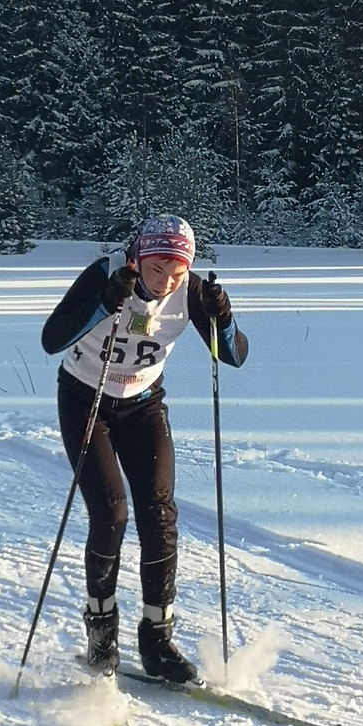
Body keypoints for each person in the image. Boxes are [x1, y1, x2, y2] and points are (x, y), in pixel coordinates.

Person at [41, 214, 249, 684]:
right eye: (157, 269)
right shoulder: (106, 274)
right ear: (139, 256)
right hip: (85, 399)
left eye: (177, 272)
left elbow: (233, 355)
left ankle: (157, 637)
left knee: (159, 513)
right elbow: (51, 339)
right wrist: (102, 302)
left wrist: (223, 316)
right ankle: (101, 633)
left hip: (142, 404)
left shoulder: (190, 290)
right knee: (111, 513)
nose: (166, 281)